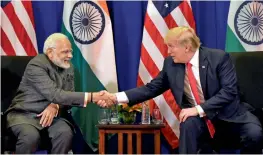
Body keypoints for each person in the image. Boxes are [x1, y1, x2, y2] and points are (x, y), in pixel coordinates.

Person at [98, 26, 263, 154]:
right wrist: (115, 97)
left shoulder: (218, 58)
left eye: (171, 47)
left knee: (254, 133)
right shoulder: (171, 64)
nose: (168, 51)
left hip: (230, 113)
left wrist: (197, 109)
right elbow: (151, 89)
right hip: (200, 120)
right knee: (188, 123)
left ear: (187, 47)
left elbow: (229, 92)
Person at [4, 33, 112, 154]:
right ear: (50, 52)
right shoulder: (36, 65)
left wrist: (54, 106)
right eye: (65, 52)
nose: (70, 56)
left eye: (70, 51)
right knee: (30, 136)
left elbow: (68, 97)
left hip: (53, 117)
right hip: (25, 114)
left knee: (64, 133)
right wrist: (93, 97)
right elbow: (55, 94)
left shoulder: (68, 67)